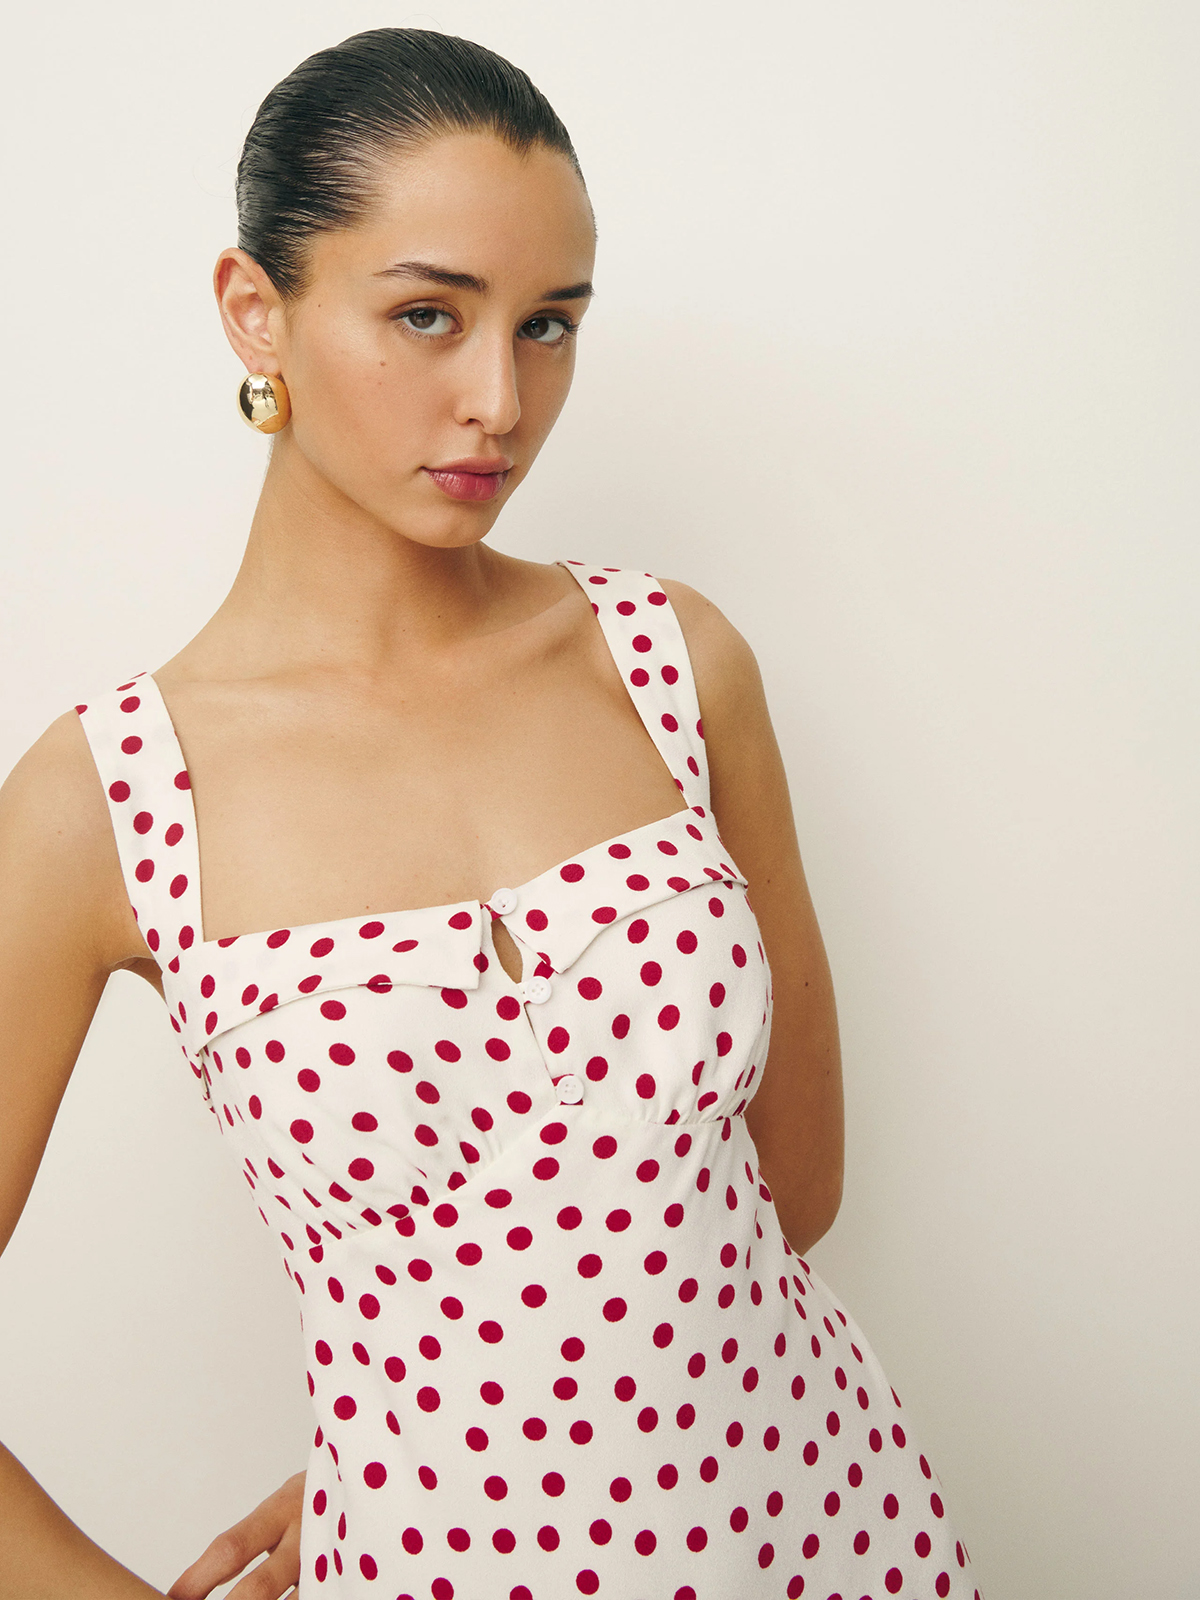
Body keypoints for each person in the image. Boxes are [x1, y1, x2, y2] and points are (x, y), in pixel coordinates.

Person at [0, 27, 980, 1600]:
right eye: (426, 315)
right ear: (256, 310)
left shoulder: (673, 665)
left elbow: (791, 1190)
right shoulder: (108, 799)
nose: (499, 400)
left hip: (827, 1532)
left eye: (549, 326)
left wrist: (492, 1429)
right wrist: (426, 1466)